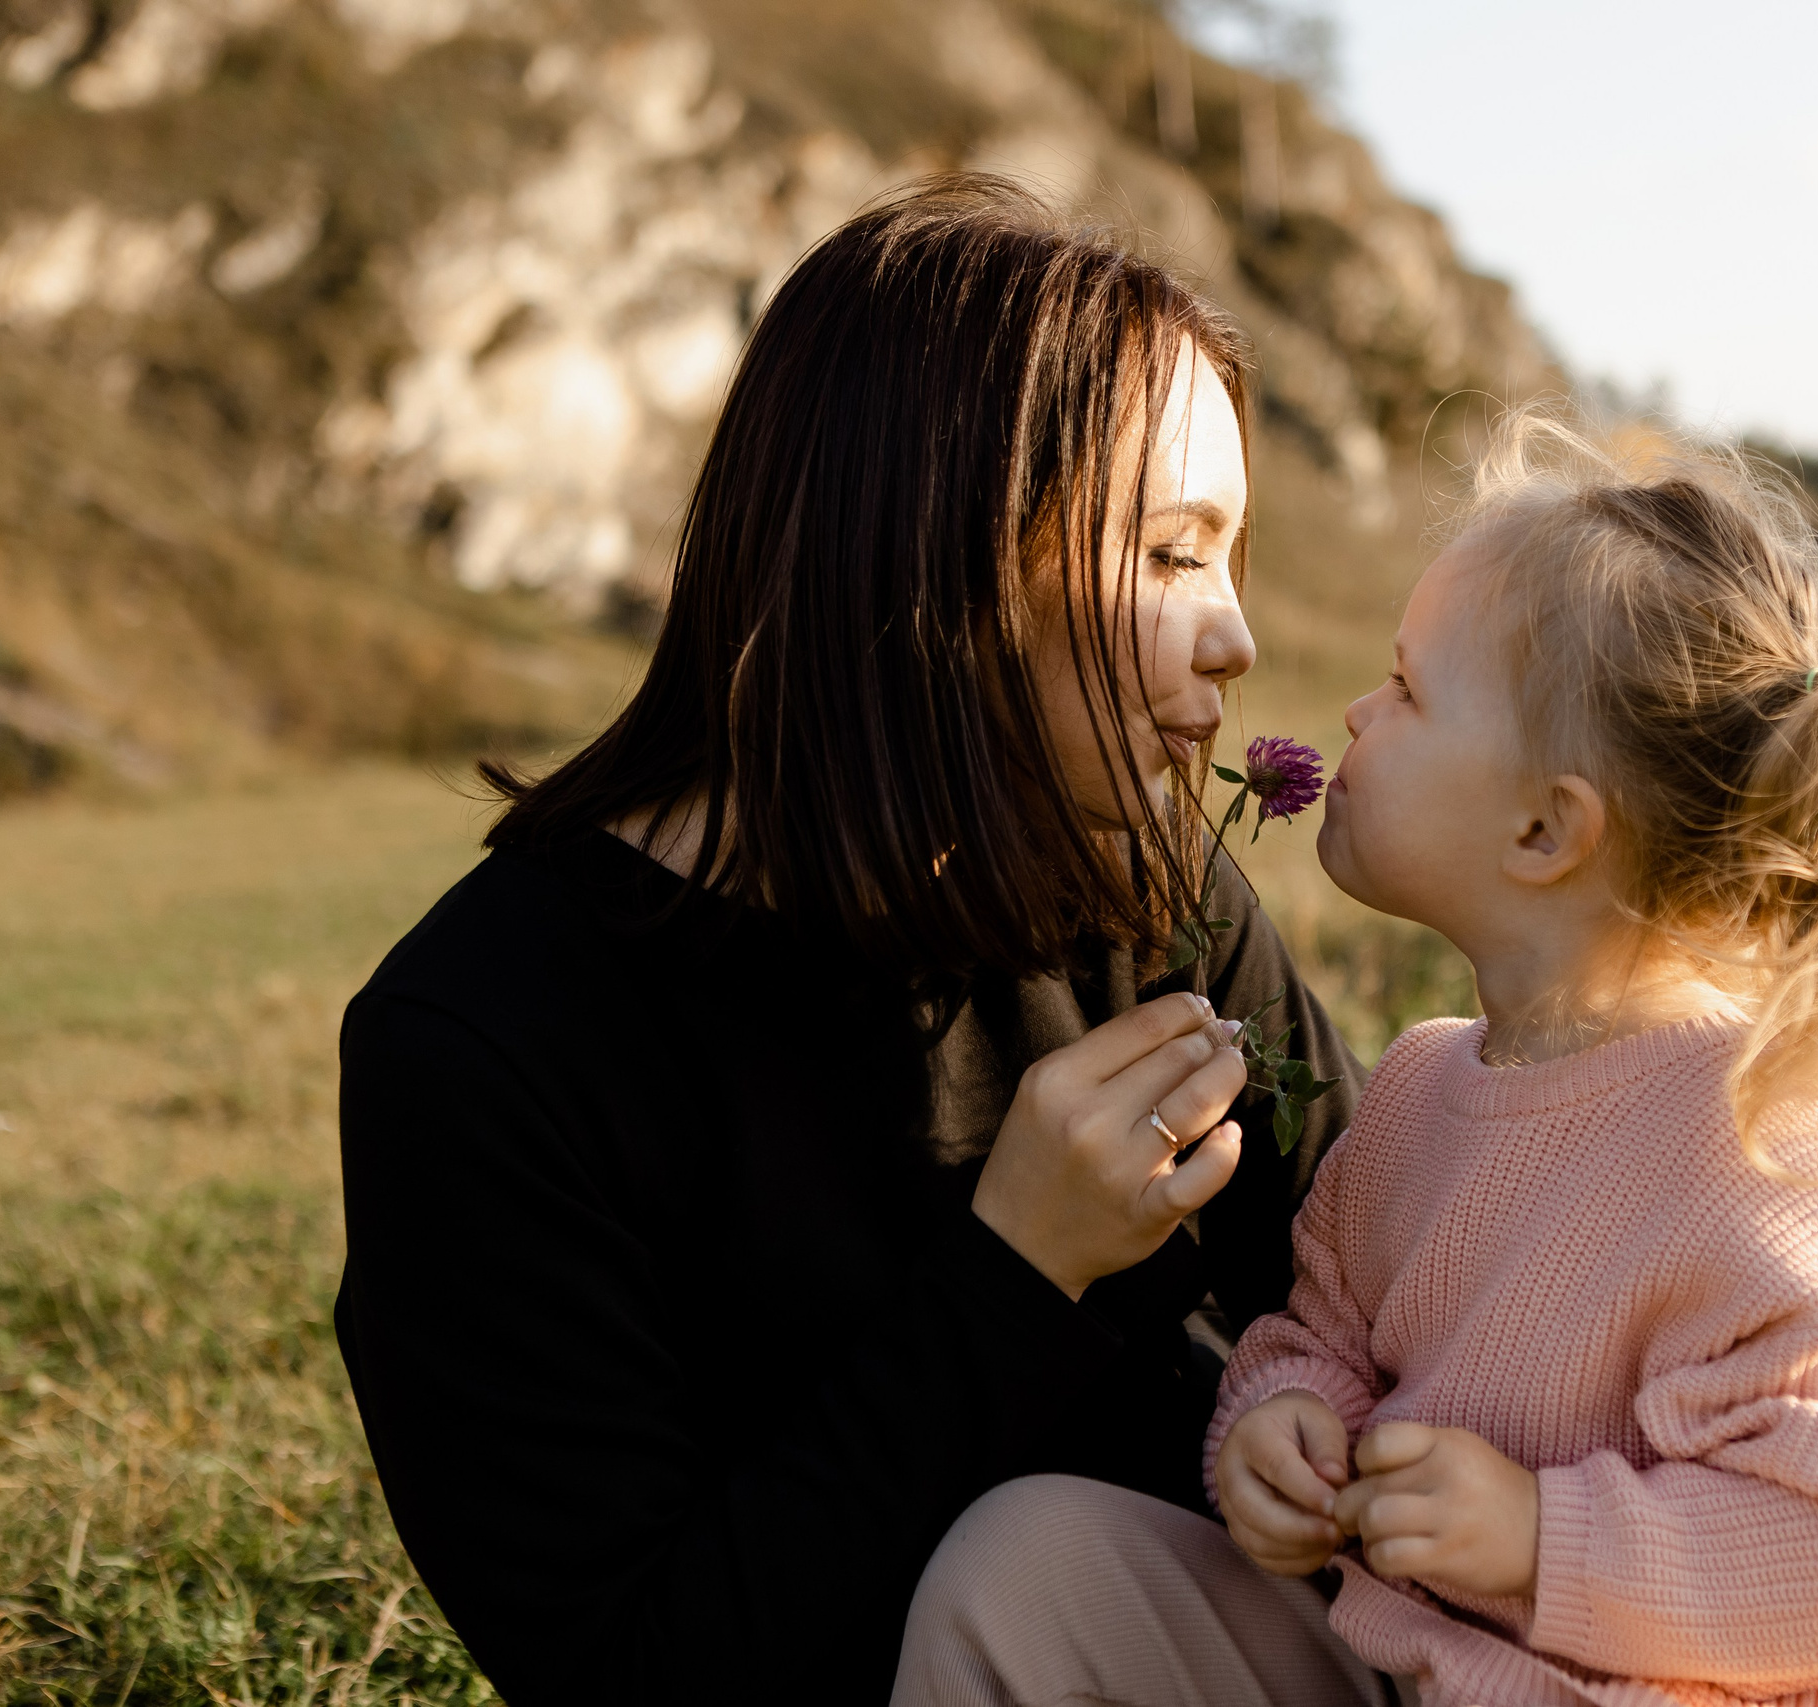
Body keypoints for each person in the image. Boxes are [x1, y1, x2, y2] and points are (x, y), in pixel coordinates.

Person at [332, 177, 1363, 1704]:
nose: (1235, 635)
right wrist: (1019, 1270)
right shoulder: (485, 1044)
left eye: (1232, 552)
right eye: (1165, 555)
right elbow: (628, 1665)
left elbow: (1389, 1279)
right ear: (933, 557)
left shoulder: (1150, 882)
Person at [896, 414, 1818, 1706]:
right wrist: (1280, 1427)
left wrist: (1543, 1538)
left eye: (1409, 689)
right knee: (1024, 1568)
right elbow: (1324, 1336)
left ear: (1544, 828)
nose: (1358, 708)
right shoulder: (1424, 1092)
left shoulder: (1771, 1139)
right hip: (1414, 1667)